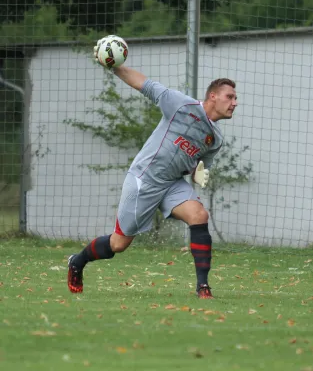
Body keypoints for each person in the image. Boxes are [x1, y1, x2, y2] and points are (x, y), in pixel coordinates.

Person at [67, 44, 238, 299]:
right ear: (213, 96)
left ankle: (203, 287)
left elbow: (198, 169)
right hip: (144, 179)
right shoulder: (181, 105)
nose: (234, 103)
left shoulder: (215, 139)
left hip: (171, 184)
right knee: (119, 244)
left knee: (199, 215)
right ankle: (77, 261)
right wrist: (115, 67)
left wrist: (197, 175)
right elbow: (144, 84)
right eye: (230, 97)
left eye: (235, 98)